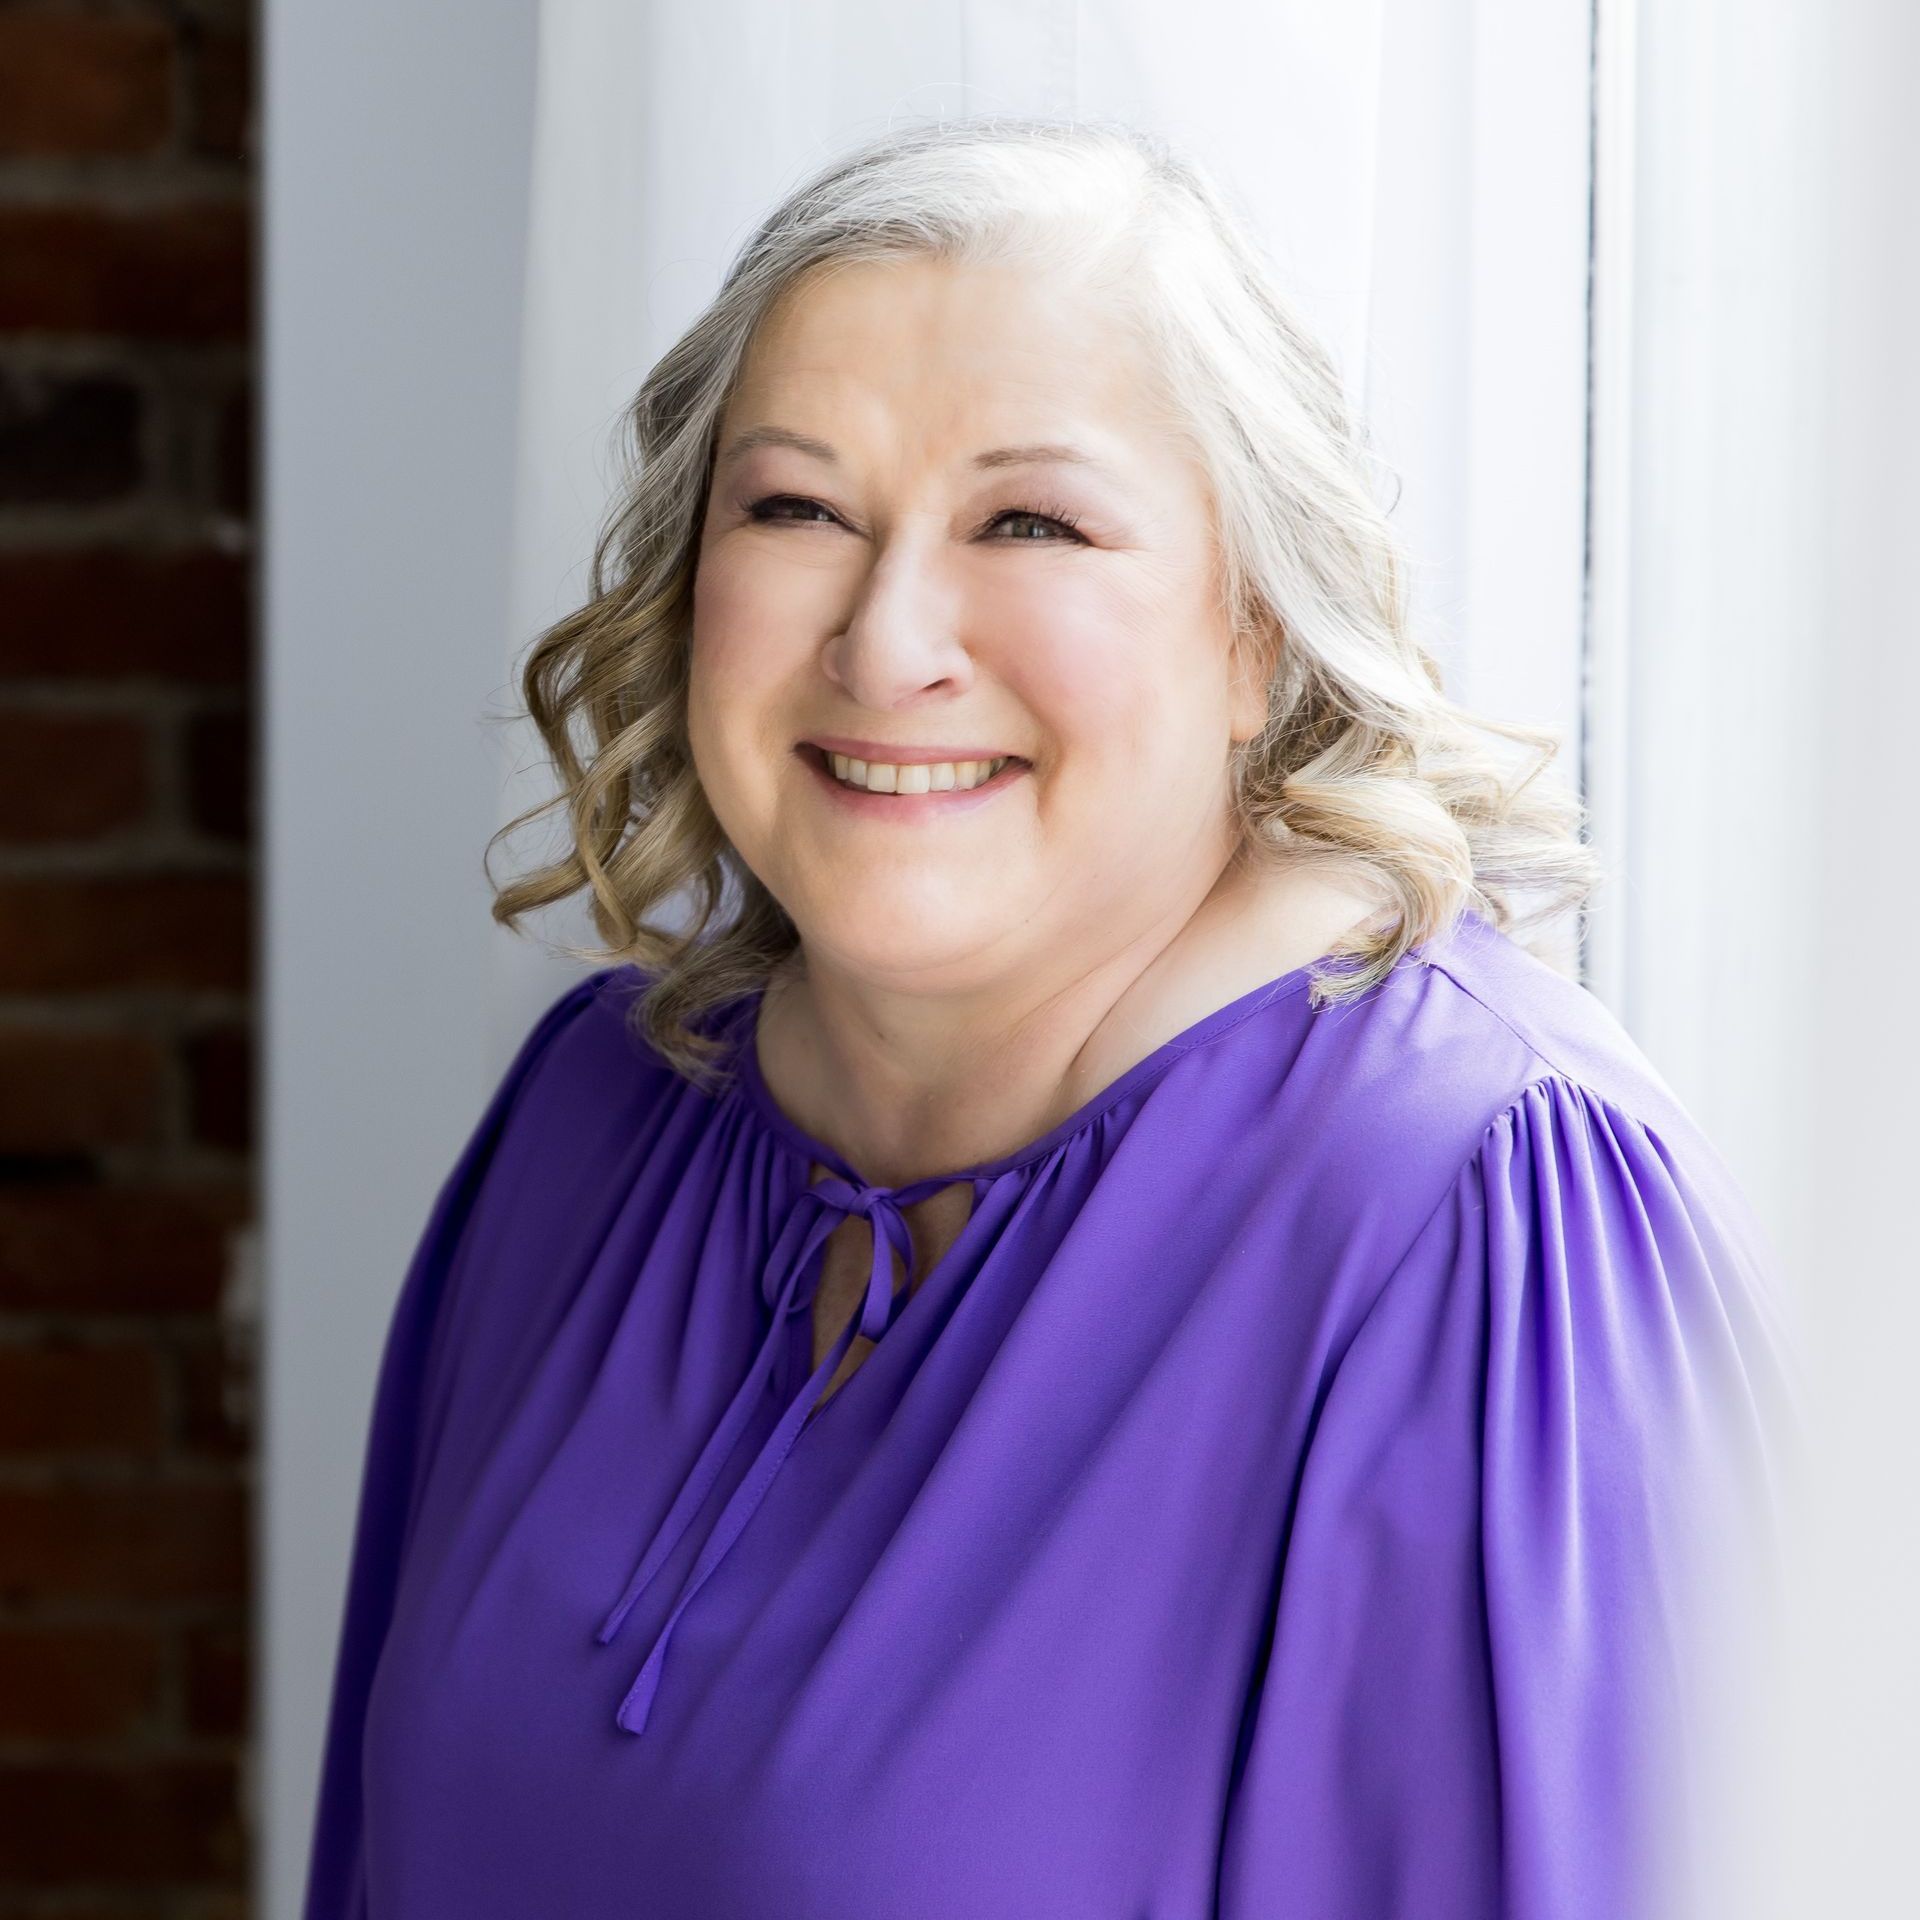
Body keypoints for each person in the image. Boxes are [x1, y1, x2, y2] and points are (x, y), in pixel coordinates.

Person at [302, 117, 1792, 1919]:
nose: (885, 638)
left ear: (1257, 634)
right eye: (796, 507)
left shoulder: (1478, 1223)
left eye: (1031, 518)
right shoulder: (596, 1119)